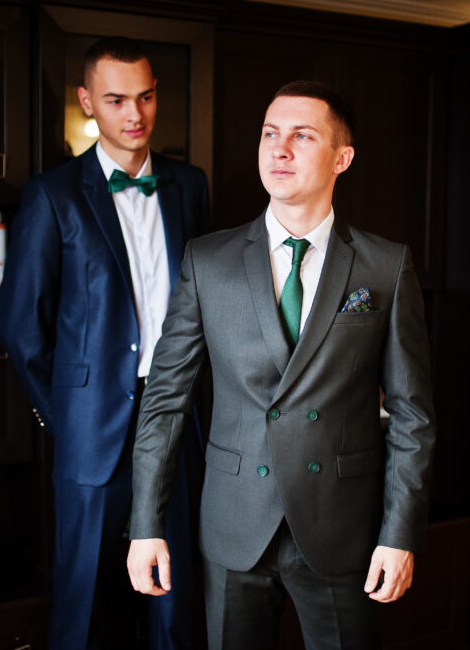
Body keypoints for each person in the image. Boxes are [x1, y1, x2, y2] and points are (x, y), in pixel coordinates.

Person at [126, 80, 436, 650]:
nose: (279, 149)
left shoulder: (385, 267)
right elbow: (165, 403)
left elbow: (413, 415)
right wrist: (145, 524)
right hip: (234, 523)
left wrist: (399, 534)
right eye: (270, 134)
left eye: (301, 135)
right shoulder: (208, 261)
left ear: (341, 157)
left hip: (341, 530)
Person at [0, 37, 209, 650]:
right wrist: (66, 414)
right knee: (85, 592)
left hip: (176, 413)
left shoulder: (189, 187)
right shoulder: (53, 194)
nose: (134, 114)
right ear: (88, 101)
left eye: (144, 97)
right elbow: (20, 323)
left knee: (175, 588)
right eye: (116, 99)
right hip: (91, 423)